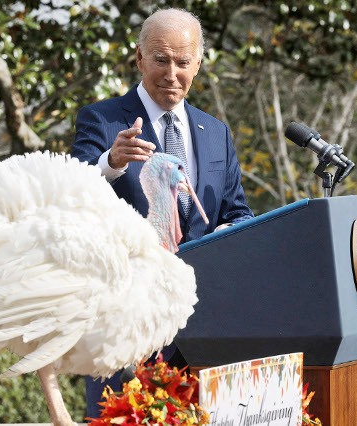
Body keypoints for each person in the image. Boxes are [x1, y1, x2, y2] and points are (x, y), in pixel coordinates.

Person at [71, 8, 254, 420]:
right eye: (160, 59)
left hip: (204, 327)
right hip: (124, 326)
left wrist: (229, 232)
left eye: (183, 62)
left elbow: (238, 211)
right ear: (139, 58)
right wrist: (111, 162)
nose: (172, 72)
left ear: (198, 65)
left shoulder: (217, 133)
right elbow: (70, 195)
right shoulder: (101, 120)